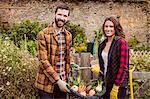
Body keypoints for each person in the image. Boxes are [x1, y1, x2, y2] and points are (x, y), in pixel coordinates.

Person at [35, 3, 72, 99]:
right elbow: (43, 61)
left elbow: (67, 57)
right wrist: (57, 80)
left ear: (67, 18)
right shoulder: (43, 34)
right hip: (45, 83)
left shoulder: (68, 35)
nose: (62, 18)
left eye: (65, 16)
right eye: (60, 14)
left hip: (63, 81)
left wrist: (69, 75)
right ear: (55, 15)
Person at [98, 17, 129, 99]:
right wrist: (99, 71)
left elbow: (123, 67)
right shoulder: (102, 44)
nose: (108, 29)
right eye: (106, 26)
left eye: (111, 27)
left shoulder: (121, 43)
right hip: (106, 84)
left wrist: (116, 87)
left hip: (118, 86)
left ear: (116, 28)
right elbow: (104, 64)